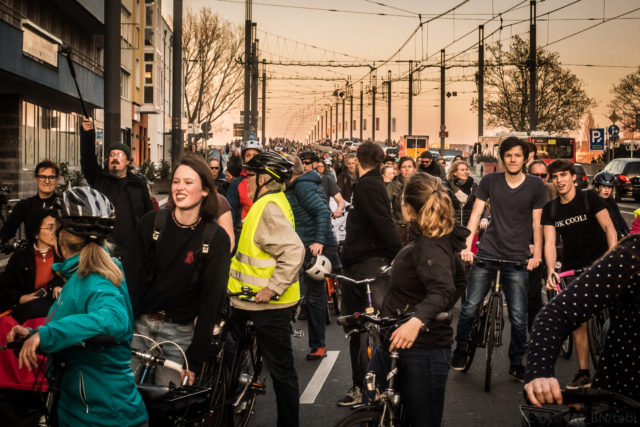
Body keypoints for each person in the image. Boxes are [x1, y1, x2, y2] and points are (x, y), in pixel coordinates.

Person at [6, 186, 148, 427]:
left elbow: (114, 319)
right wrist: (32, 335)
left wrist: (47, 334)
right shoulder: (79, 275)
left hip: (103, 417)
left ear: (62, 235)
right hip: (78, 410)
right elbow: (77, 332)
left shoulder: (97, 278)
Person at [125, 154, 231, 386]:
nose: (179, 188)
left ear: (205, 191)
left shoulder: (215, 238)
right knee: (122, 401)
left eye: (188, 182)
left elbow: (211, 301)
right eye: (176, 181)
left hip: (179, 337)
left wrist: (194, 361)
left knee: (168, 405)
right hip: (139, 328)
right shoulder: (151, 224)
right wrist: (123, 330)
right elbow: (130, 282)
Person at [451, 137, 546, 381]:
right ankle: (461, 348)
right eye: (508, 155)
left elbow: (538, 224)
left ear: (525, 158)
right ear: (502, 158)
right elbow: (475, 214)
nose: (513, 159)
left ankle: (516, 362)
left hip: (517, 258)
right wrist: (467, 246)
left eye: (517, 155)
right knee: (471, 306)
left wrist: (537, 255)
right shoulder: (490, 181)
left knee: (517, 315)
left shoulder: (536, 185)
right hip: (488, 252)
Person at [378, 173, 469, 427]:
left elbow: (444, 289)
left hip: (422, 349)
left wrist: (418, 320)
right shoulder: (430, 238)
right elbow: (459, 281)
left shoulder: (430, 244)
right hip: (402, 342)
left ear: (408, 206)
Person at [227, 151, 304, 427]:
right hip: (245, 300)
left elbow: (295, 251)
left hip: (268, 306)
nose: (244, 182)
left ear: (264, 179)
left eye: (249, 176)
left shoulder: (268, 207)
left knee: (283, 372)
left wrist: (272, 289)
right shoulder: (271, 202)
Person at [524, 234, 640, 406]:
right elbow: (557, 313)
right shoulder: (634, 254)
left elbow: (610, 228)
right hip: (621, 403)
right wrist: (540, 374)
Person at [541, 160, 617, 389]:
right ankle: (584, 372)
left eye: (563, 175)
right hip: (575, 268)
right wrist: (551, 271)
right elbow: (550, 243)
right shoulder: (551, 209)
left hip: (600, 262)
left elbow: (609, 229)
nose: (560, 180)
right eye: (555, 177)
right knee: (579, 322)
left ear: (573, 177)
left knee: (619, 314)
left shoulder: (589, 198)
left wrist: (610, 260)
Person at [338, 142, 403, 406]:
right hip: (359, 263)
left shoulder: (367, 186)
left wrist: (400, 254)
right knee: (359, 328)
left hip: (368, 265)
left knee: (372, 327)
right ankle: (365, 385)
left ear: (358, 159)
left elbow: (383, 223)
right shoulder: (368, 185)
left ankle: (372, 386)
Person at [286, 155, 340, 360]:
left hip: (311, 248)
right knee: (312, 297)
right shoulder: (302, 184)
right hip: (306, 245)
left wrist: (318, 242)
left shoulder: (302, 186)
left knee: (314, 297)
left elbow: (322, 212)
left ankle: (318, 345)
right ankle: (317, 344)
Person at [80, 119, 154, 259]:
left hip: (132, 251)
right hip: (103, 250)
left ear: (127, 161)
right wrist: (87, 134)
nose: (115, 158)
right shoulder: (99, 179)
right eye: (112, 155)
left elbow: (148, 215)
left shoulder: (138, 184)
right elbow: (87, 160)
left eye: (119, 155)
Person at [0, 210, 63, 324]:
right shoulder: (20, 257)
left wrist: (59, 285)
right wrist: (21, 298)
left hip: (53, 310)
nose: (55, 232)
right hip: (26, 312)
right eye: (50, 228)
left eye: (56, 228)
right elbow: (4, 288)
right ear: (36, 234)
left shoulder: (63, 254)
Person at [1, 160, 59, 243]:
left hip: (58, 253)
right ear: (36, 178)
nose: (47, 181)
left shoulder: (64, 203)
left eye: (51, 177)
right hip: (31, 253)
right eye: (43, 177)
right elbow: (8, 229)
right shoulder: (24, 205)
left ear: (57, 179)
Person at [227, 139, 262, 238]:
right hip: (243, 233)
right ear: (243, 159)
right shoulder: (236, 183)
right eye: (248, 155)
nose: (251, 158)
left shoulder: (267, 180)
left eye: (255, 155)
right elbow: (231, 210)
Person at [300, 151, 346, 218]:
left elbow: (340, 201)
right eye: (302, 163)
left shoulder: (326, 180)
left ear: (315, 164)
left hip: (323, 220)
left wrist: (339, 209)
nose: (304, 166)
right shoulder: (297, 181)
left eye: (307, 163)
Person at [592, 171, 630, 239]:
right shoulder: (590, 201)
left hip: (613, 239)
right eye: (604, 187)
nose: (607, 190)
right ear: (596, 188)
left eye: (609, 187)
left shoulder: (611, 202)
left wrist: (628, 234)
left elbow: (619, 219)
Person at [445, 160, 477, 227]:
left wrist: (483, 219)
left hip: (469, 226)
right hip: (452, 226)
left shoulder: (473, 186)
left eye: (466, 169)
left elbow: (480, 205)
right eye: (462, 170)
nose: (466, 172)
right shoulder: (447, 186)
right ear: (455, 172)